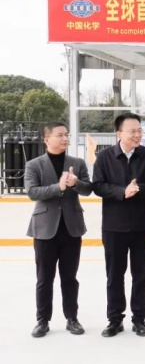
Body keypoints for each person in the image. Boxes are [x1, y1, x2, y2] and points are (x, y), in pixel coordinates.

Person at [92, 112, 145, 338]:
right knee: (114, 275)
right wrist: (122, 192)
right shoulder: (104, 157)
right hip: (114, 225)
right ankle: (114, 319)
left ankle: (139, 319)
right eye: (132, 131)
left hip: (142, 225)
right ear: (119, 134)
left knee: (141, 275)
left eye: (139, 131)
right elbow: (98, 186)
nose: (137, 135)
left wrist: (139, 189)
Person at [25, 122, 92, 338]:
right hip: (45, 229)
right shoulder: (34, 165)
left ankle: (72, 318)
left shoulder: (77, 163)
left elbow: (88, 189)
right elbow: (32, 192)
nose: (65, 139)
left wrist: (74, 183)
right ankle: (42, 320)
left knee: (70, 277)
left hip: (71, 228)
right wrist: (59, 187)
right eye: (60, 135)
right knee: (44, 278)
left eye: (67, 135)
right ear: (47, 139)